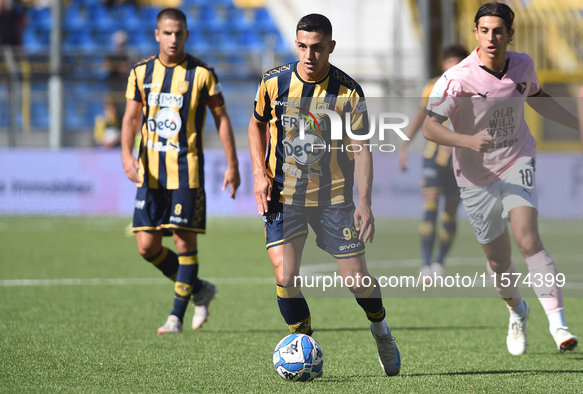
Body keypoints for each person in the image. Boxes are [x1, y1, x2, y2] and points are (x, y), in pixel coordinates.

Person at [247, 14, 401, 376]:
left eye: (317, 48)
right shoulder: (274, 82)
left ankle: (381, 330)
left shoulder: (348, 92)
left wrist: (365, 202)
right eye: (302, 46)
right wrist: (258, 173)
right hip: (284, 196)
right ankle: (303, 346)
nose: (309, 55)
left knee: (357, 281)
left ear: (330, 47)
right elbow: (255, 124)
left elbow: (362, 149)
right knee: (286, 275)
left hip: (333, 198)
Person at [423, 2, 579, 355]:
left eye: (498, 31)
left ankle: (559, 326)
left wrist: (575, 122)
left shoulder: (523, 64)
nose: (491, 37)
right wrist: (466, 140)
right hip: (474, 176)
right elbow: (431, 127)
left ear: (510, 34)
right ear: (475, 33)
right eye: (484, 30)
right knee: (498, 260)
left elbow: (537, 97)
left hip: (517, 159)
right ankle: (516, 311)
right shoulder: (457, 78)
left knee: (527, 238)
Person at [121, 8, 240, 335]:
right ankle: (200, 289)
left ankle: (175, 317)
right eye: (167, 33)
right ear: (157, 34)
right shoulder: (140, 72)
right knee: (147, 247)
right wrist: (126, 155)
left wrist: (233, 164)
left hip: (187, 174)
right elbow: (130, 118)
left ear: (186, 35)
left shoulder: (202, 74)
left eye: (179, 33)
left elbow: (222, 119)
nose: (173, 39)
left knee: (186, 244)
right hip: (151, 175)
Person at [398, 44, 468, 281]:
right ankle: (426, 264)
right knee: (429, 209)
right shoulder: (433, 86)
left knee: (449, 214)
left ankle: (439, 262)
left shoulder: (474, 88)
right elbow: (421, 116)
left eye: (458, 62)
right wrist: (405, 144)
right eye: (449, 61)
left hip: (460, 159)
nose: (453, 66)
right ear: (444, 64)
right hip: (432, 156)